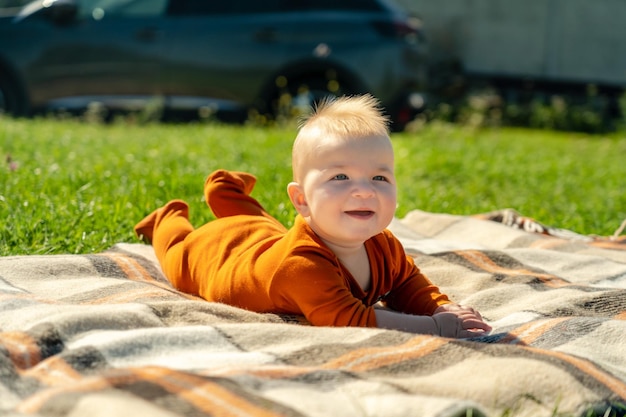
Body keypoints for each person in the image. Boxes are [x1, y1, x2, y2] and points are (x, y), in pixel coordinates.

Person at [135, 94, 492, 338]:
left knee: (262, 227)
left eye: (379, 177)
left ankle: (225, 194)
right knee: (180, 254)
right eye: (340, 177)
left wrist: (441, 308)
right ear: (301, 200)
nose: (364, 190)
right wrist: (435, 328)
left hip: (263, 238)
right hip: (218, 255)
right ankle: (166, 217)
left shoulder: (383, 244)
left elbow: (407, 283)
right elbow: (349, 320)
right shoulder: (302, 266)